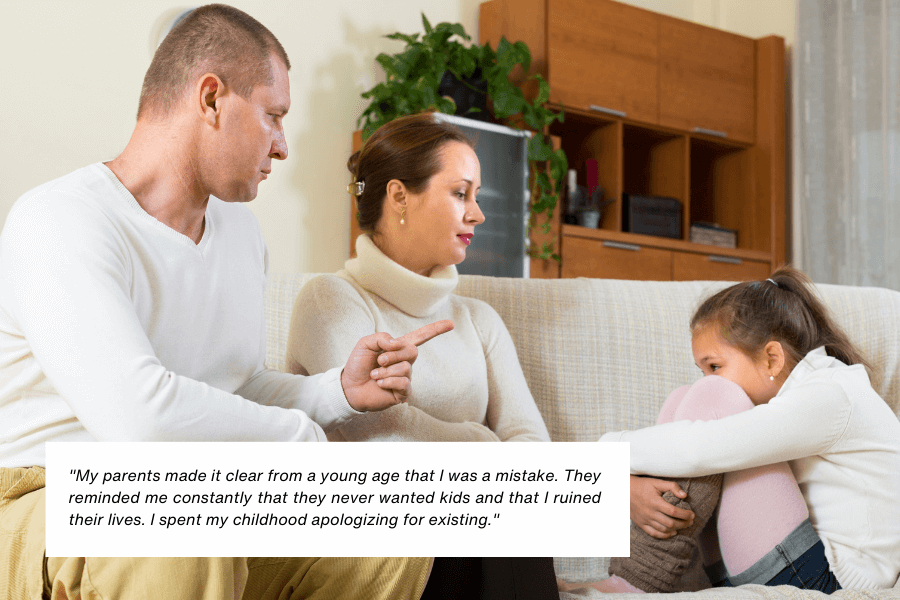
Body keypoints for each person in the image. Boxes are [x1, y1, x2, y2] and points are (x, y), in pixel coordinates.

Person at [0, 5, 448, 599]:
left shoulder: (240, 236)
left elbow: (230, 387)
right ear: (211, 99)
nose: (283, 146)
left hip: (186, 494)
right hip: (46, 492)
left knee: (386, 531)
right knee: (182, 524)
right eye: (273, 116)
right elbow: (142, 421)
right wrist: (304, 444)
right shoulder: (60, 221)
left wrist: (335, 392)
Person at [286, 112, 557, 599]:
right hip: (372, 544)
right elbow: (382, 441)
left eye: (475, 196)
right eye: (460, 193)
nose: (477, 213)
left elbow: (533, 453)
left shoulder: (478, 319)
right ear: (398, 197)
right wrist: (482, 442)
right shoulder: (329, 300)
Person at [594, 266, 900, 593]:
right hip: (791, 562)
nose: (708, 377)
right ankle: (642, 578)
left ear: (772, 359)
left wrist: (604, 455)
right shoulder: (807, 394)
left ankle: (634, 582)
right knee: (683, 398)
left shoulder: (830, 393)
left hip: (832, 581)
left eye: (714, 366)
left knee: (713, 398)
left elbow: (701, 449)